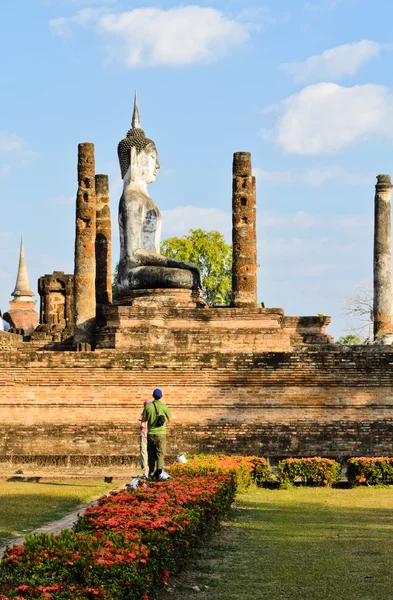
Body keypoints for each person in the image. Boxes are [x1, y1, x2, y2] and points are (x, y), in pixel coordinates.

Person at [142, 388, 171, 479]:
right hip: (161, 434)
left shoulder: (148, 406)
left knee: (151, 454)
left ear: (153, 396)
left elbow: (143, 419)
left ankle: (151, 473)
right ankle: (159, 473)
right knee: (160, 454)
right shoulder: (164, 406)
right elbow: (170, 419)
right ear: (161, 396)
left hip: (150, 433)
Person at [139, 399, 152, 476]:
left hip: (144, 434)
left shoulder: (144, 413)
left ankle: (146, 469)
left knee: (144, 451)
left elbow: (142, 425)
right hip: (152, 434)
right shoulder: (154, 413)